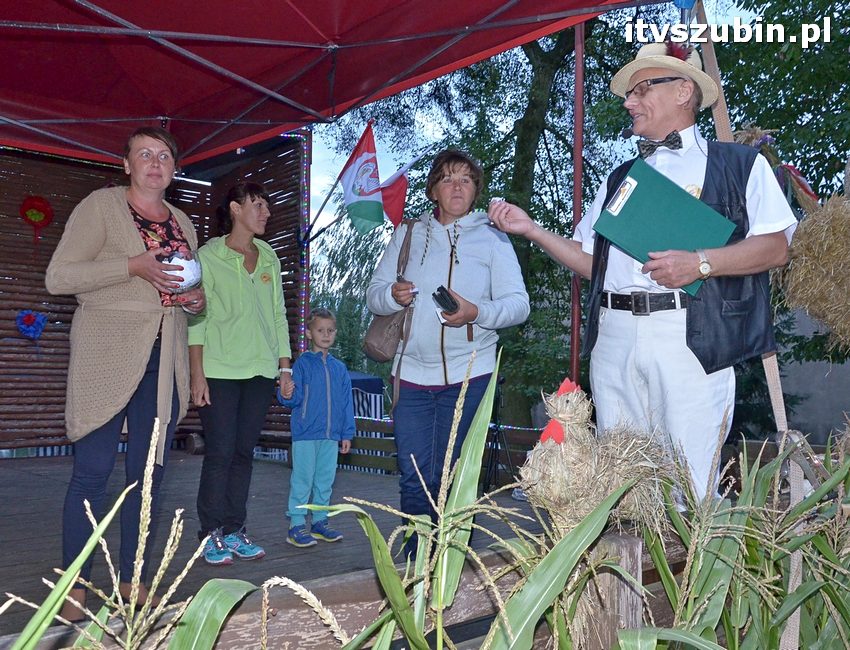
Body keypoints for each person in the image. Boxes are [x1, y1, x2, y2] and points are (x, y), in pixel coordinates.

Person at [488, 42, 797, 500]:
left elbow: (776, 248)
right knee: (625, 486)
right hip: (614, 338)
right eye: (629, 94)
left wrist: (701, 263)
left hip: (690, 336)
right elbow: (594, 262)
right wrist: (532, 230)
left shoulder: (738, 165)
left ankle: (696, 544)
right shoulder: (620, 177)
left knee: (692, 482)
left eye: (641, 89)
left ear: (683, 91)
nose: (629, 102)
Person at [46, 126, 205, 620]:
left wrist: (195, 301)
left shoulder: (182, 221)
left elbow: (184, 288)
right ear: (126, 164)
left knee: (149, 477)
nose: (155, 163)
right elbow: (60, 277)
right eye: (145, 154)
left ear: (174, 168)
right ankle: (74, 587)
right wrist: (132, 265)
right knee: (92, 474)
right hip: (106, 354)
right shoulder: (101, 206)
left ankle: (134, 582)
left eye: (164, 156)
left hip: (165, 358)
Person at [366, 149, 529, 555]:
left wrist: (477, 313)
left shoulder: (493, 237)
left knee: (455, 480)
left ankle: (452, 571)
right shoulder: (407, 233)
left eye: (466, 180)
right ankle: (416, 569)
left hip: (471, 375)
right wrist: (392, 295)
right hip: (410, 377)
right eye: (448, 179)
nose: (458, 187)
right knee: (415, 478)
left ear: (475, 191)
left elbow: (518, 305)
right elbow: (373, 296)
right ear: (434, 190)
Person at [188, 182, 294, 565]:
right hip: (219, 370)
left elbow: (278, 315)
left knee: (244, 453)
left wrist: (284, 367)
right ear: (235, 209)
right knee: (220, 452)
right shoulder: (208, 256)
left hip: (260, 371)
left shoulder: (269, 257)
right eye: (258, 204)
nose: (266, 212)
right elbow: (196, 318)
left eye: (267, 205)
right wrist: (197, 374)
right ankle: (209, 535)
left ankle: (234, 531)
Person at [277, 308, 355, 547]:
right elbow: (291, 399)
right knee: (302, 479)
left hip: (330, 436)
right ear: (309, 334)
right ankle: (296, 525)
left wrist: (347, 433)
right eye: (321, 330)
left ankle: (320, 522)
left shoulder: (339, 369)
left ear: (335, 333)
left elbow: (346, 403)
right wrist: (286, 393)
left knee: (324, 481)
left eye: (330, 330)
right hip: (305, 434)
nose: (326, 334)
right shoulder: (302, 365)